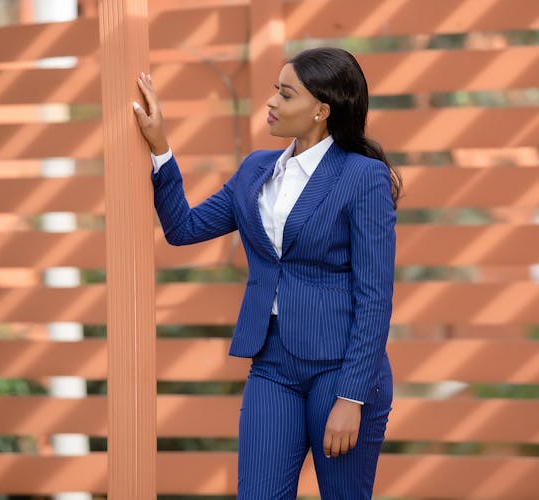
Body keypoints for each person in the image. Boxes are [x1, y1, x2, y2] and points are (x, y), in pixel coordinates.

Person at [132, 47, 401, 499]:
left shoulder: (364, 177)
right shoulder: (256, 170)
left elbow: (375, 297)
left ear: (321, 110)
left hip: (340, 370)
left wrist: (352, 398)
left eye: (286, 94)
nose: (271, 103)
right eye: (275, 90)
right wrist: (160, 147)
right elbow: (183, 228)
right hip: (272, 364)